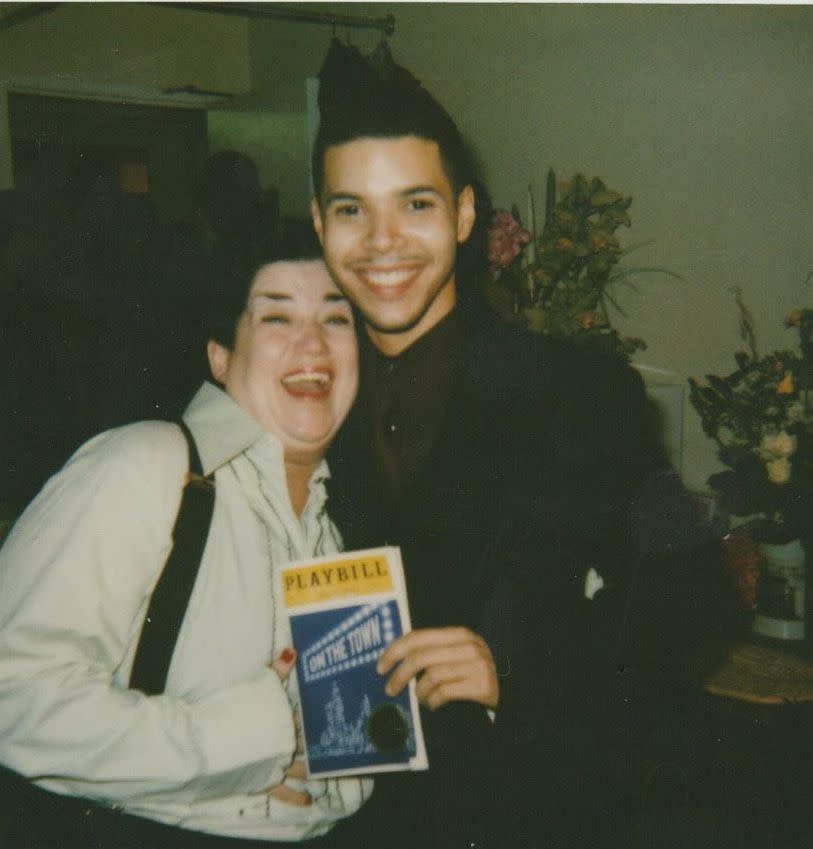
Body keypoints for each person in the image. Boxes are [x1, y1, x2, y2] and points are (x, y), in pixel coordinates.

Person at [310, 41, 736, 849]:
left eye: (416, 204)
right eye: (350, 208)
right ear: (318, 224)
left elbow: (694, 593)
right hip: (348, 820)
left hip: (530, 810)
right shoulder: (302, 394)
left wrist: (517, 668)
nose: (382, 241)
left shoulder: (579, 391)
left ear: (465, 216)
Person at [0, 246, 372, 847]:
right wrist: (244, 743)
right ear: (220, 357)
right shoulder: (147, 466)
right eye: (277, 317)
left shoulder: (338, 530)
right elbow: (12, 694)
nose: (315, 345)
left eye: (336, 319)